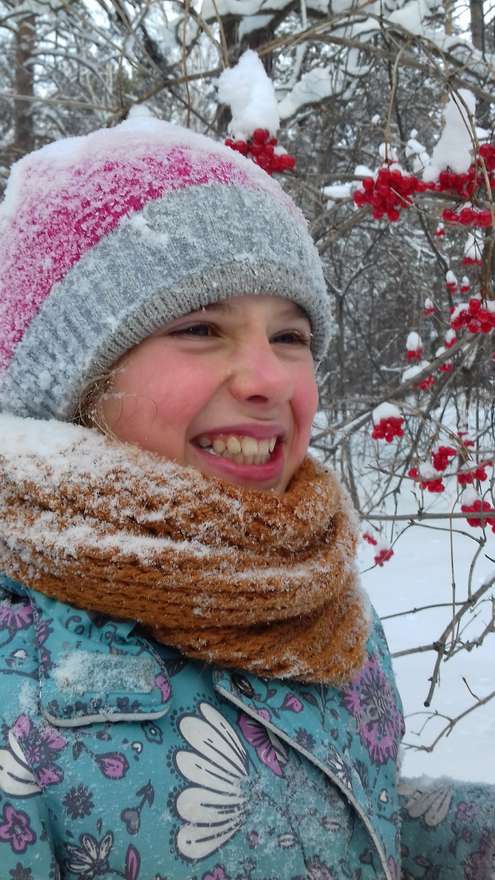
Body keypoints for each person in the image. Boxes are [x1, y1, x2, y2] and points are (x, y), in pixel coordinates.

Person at [0, 111, 492, 880]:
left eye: (290, 336)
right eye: (200, 328)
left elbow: (345, 818)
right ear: (68, 380)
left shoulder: (316, 600)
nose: (267, 379)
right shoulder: (19, 663)